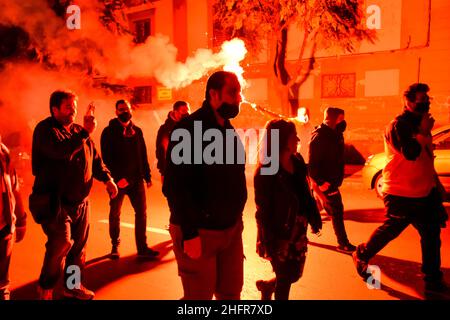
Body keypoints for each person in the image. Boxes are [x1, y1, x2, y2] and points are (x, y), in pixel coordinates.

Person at [353, 83, 449, 295]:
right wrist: (424, 131)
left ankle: (432, 280)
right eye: (420, 101)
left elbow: (425, 159)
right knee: (391, 230)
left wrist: (436, 185)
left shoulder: (422, 125)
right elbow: (411, 153)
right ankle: (362, 254)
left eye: (427, 101)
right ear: (408, 102)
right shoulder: (398, 126)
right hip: (400, 192)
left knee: (432, 235)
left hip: (425, 192)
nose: (425, 104)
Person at [163, 71, 247, 300]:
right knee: (198, 298)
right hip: (199, 231)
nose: (239, 98)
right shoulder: (187, 130)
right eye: (233, 92)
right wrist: (189, 233)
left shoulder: (229, 131)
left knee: (231, 294)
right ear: (214, 94)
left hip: (230, 230)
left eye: (239, 91)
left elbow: (236, 178)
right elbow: (175, 186)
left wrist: (236, 221)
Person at [30, 90, 118, 300]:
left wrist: (107, 179)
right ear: (55, 109)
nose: (73, 110)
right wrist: (85, 133)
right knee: (61, 243)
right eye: (68, 106)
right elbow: (60, 152)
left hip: (81, 202)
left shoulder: (79, 131)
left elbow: (95, 160)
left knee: (78, 248)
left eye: (74, 106)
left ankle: (72, 285)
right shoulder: (46, 130)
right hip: (56, 201)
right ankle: (45, 286)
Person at [254, 119, 322, 300]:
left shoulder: (297, 162)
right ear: (282, 140)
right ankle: (272, 289)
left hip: (298, 227)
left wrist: (314, 217)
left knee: (293, 274)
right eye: (294, 136)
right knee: (284, 278)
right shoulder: (266, 171)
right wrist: (267, 240)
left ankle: (268, 286)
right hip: (278, 231)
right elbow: (263, 209)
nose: (298, 139)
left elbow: (305, 194)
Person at [101, 99, 158, 260]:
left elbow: (143, 155)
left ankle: (142, 247)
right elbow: (107, 158)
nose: (124, 111)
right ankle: (114, 245)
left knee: (141, 213)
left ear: (131, 110)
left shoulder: (137, 131)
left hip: (137, 180)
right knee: (115, 213)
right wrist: (117, 179)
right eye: (120, 109)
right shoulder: (109, 132)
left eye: (126, 109)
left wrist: (147, 176)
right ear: (116, 112)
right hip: (118, 182)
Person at [308, 107, 356, 253]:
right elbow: (313, 164)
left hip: (331, 180)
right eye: (341, 119)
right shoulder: (320, 137)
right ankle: (343, 243)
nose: (343, 123)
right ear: (331, 120)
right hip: (326, 183)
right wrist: (321, 183)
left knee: (314, 207)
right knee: (337, 210)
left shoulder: (335, 134)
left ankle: (302, 231)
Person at [0, 138, 27, 300]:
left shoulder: (3, 152)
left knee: (2, 279)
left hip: (4, 226)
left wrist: (21, 219)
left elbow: (14, 187)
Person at [156, 100, 190, 182]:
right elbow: (161, 151)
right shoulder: (165, 129)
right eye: (184, 111)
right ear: (175, 112)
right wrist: (163, 172)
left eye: (188, 110)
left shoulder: (191, 126)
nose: (187, 113)